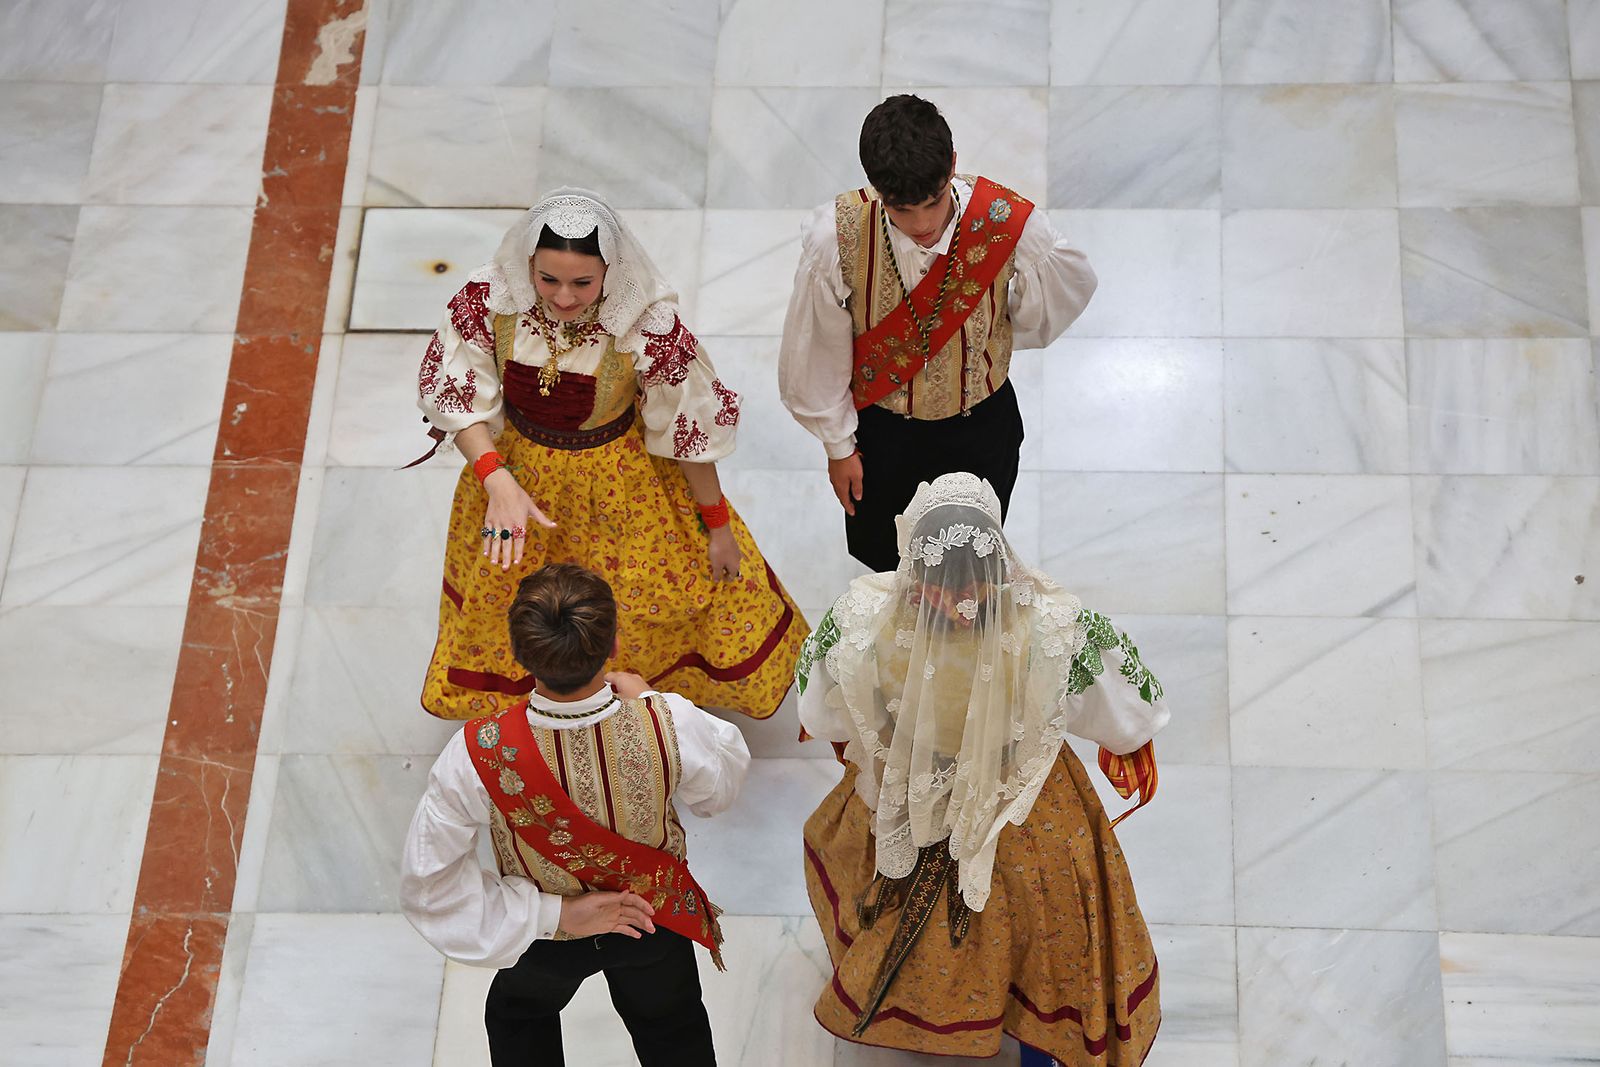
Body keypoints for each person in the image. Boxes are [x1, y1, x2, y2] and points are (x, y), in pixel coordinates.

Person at [794, 472, 1167, 1064]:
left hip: (907, 793)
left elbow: (818, 710)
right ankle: (1041, 1034)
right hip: (1022, 810)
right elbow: (1132, 714)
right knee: (1048, 927)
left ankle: (918, 1007)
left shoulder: (861, 619)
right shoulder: (1055, 628)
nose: (962, 604)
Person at [412, 187, 807, 721]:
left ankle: (625, 701)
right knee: (515, 601)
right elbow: (457, 395)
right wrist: (495, 479)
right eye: (547, 279)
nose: (564, 298)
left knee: (643, 597)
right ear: (528, 262)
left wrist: (717, 526)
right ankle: (537, 706)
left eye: (582, 282)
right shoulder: (491, 300)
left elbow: (688, 435)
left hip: (618, 485)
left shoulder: (645, 326)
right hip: (515, 479)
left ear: (610, 272)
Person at [401, 562, 749, 1067]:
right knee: (673, 1031)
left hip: (546, 939)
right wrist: (651, 699)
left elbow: (428, 885)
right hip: (652, 922)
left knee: (518, 1018)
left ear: (520, 655)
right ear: (611, 646)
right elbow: (717, 792)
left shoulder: (476, 752)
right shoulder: (668, 721)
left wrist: (556, 914)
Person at [779, 93, 1099, 573]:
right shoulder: (837, 236)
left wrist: (998, 333)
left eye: (932, 203)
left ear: (952, 164)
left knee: (970, 571)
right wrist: (839, 447)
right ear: (875, 188)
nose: (923, 225)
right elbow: (817, 348)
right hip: (885, 432)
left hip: (979, 426)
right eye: (902, 211)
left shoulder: (1005, 220)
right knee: (890, 563)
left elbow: (1063, 291)